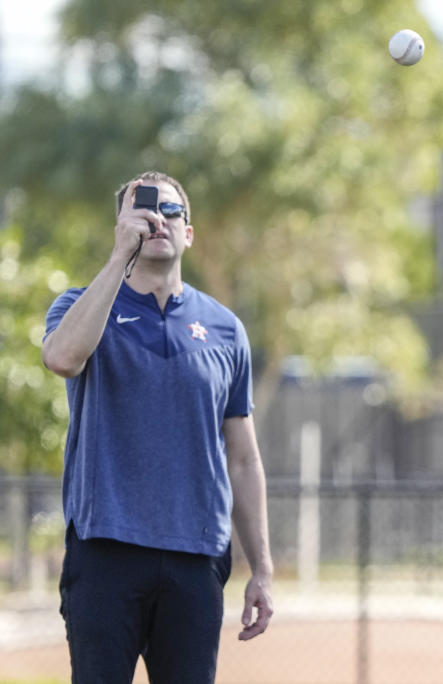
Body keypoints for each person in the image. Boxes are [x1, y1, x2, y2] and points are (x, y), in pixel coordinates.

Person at [42, 171, 274, 683]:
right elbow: (61, 357)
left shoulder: (225, 328)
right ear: (121, 226)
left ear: (188, 233)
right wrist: (117, 258)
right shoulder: (80, 307)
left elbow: (243, 457)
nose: (158, 220)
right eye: (141, 209)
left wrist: (262, 568)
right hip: (106, 551)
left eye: (172, 211)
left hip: (196, 555)